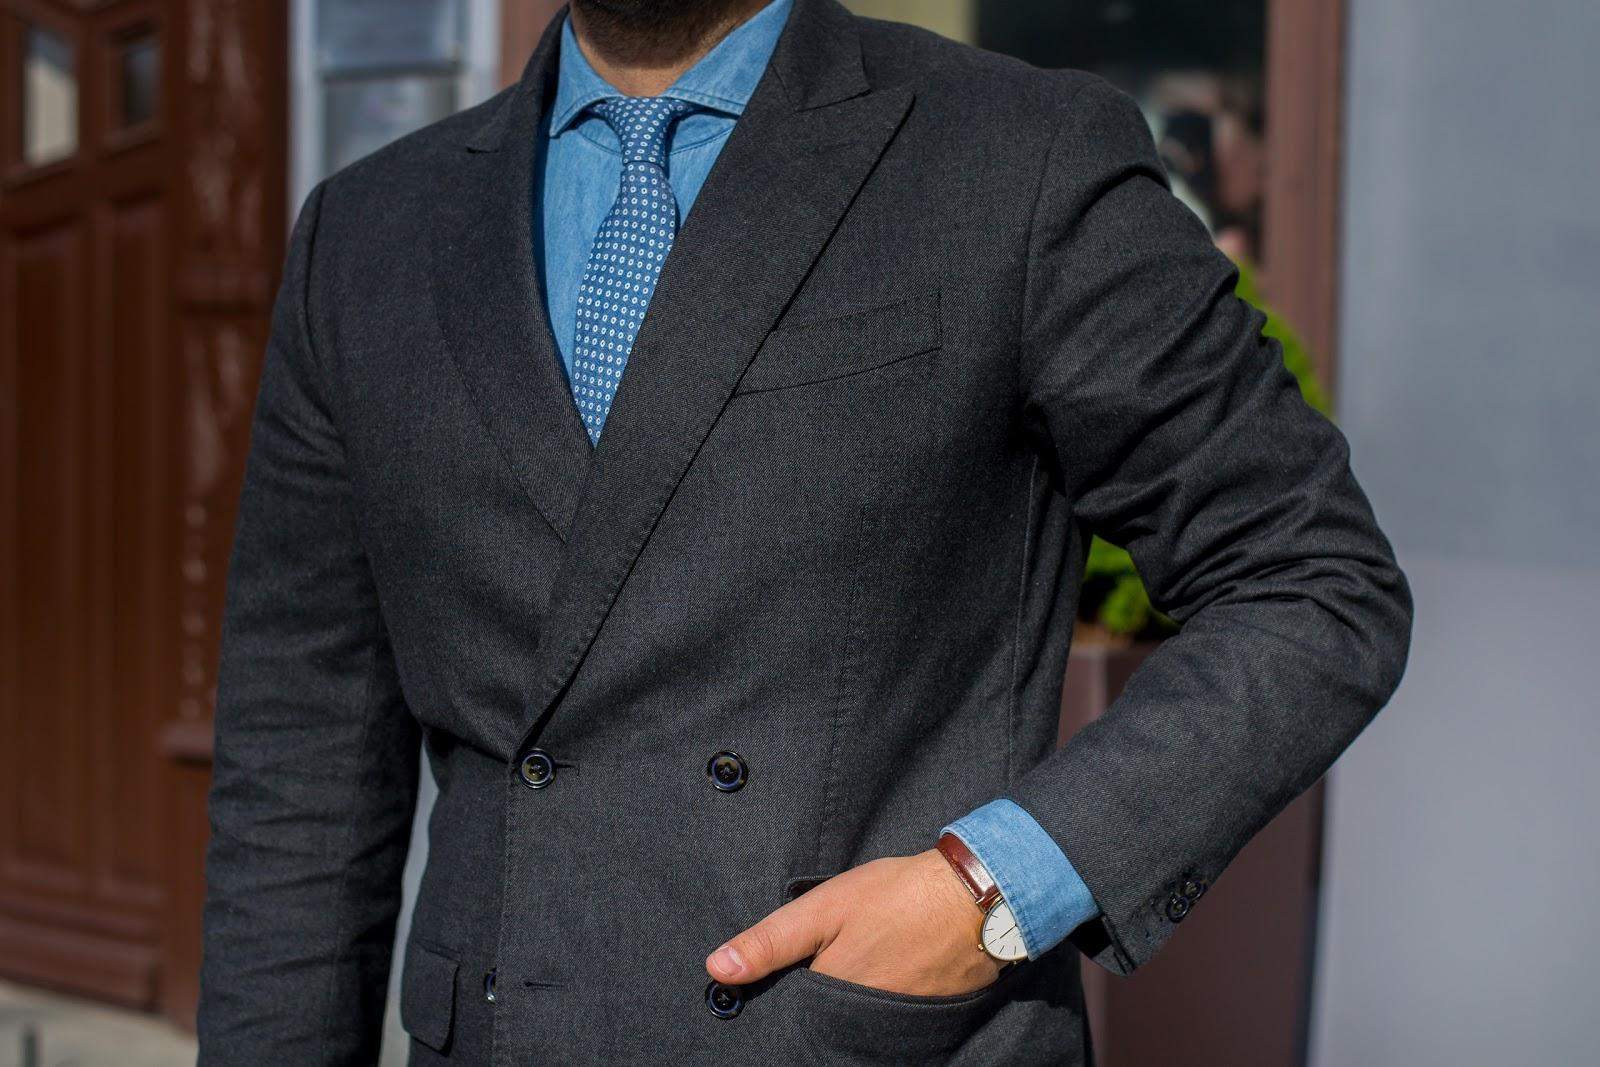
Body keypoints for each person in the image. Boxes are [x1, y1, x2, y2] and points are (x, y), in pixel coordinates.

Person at [195, 0, 1413, 1063]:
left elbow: (1312, 580)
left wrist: (993, 885)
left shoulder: (1016, 154)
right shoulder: (368, 229)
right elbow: (301, 759)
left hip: (862, 1039)